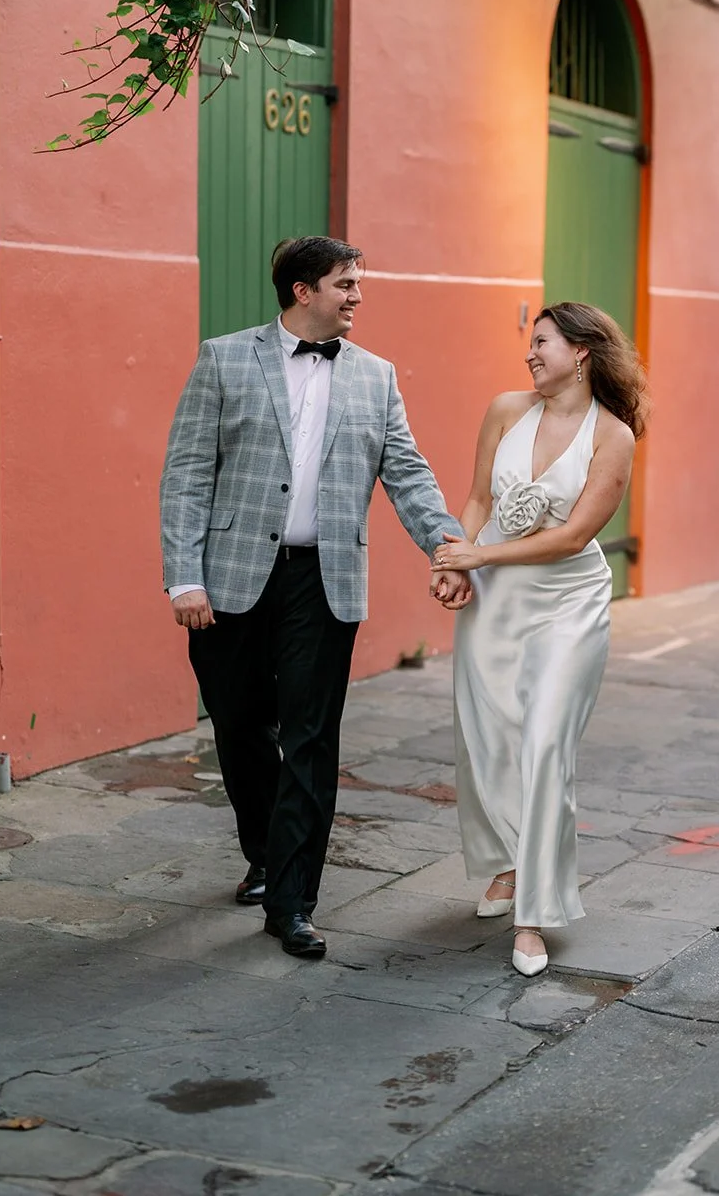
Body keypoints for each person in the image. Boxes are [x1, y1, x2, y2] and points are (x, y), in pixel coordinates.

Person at [160, 236, 471, 960]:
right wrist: (184, 576)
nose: (357, 296)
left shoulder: (376, 377)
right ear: (303, 291)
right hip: (230, 577)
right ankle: (266, 854)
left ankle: (294, 902)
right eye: (345, 284)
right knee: (239, 726)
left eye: (357, 284)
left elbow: (408, 473)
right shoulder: (224, 357)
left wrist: (448, 545)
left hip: (323, 579)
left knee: (309, 737)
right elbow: (185, 474)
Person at [431, 302, 646, 977]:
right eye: (530, 342)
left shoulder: (612, 436)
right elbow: (476, 500)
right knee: (486, 737)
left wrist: (478, 559)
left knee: (546, 741)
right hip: (493, 599)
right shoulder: (503, 409)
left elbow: (573, 536)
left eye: (543, 342)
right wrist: (455, 558)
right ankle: (506, 864)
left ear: (582, 352)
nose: (530, 353)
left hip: (565, 603)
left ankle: (533, 917)